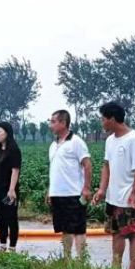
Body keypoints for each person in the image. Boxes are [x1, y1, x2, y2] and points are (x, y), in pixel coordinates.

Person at [91, 102, 135, 269]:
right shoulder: (110, 140)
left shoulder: (134, 140)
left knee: (133, 234)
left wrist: (134, 193)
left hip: (128, 197)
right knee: (116, 233)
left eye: (103, 119)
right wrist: (102, 189)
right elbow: (106, 166)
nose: (102, 123)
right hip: (112, 197)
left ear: (112, 119)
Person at [46, 110, 92, 259]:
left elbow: (87, 165)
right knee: (65, 228)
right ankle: (67, 259)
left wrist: (86, 188)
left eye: (53, 121)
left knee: (78, 228)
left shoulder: (76, 142)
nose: (50, 125)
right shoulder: (53, 145)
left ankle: (81, 261)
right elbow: (54, 170)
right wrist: (50, 190)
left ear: (63, 123)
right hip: (58, 194)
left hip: (74, 193)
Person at [0, 122, 21, 252]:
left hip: (8, 191)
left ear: (7, 133)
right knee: (0, 217)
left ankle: (12, 247)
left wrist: (12, 189)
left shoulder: (14, 150)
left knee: (11, 218)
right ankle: (2, 246)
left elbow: (15, 170)